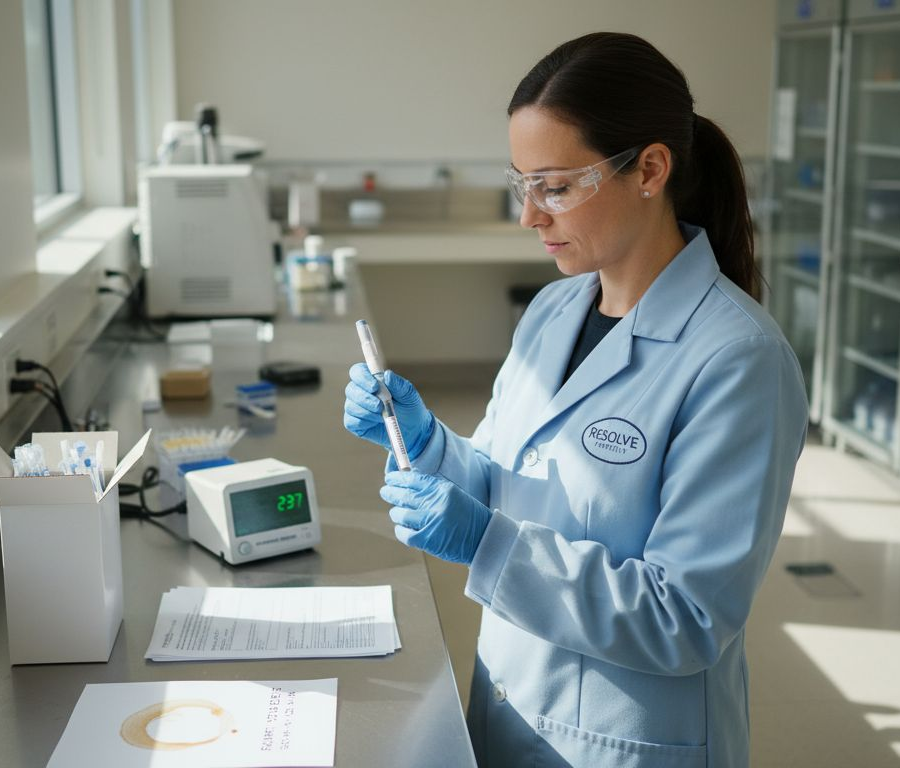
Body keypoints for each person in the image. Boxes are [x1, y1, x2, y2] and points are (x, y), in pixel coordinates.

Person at [343, 32, 807, 768]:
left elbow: (684, 618)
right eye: (521, 184)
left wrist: (484, 543)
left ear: (650, 169)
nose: (531, 216)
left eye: (555, 187)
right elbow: (500, 483)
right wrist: (428, 445)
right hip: (511, 700)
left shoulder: (737, 360)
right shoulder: (553, 313)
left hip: (625, 743)